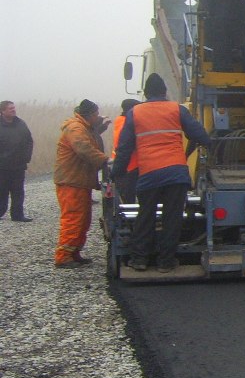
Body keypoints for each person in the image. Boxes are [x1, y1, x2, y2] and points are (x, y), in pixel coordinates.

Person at [111, 73, 211, 273]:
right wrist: (203, 150)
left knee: (145, 216)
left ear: (146, 93)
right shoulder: (176, 110)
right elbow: (200, 135)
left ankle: (139, 260)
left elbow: (124, 147)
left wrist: (117, 173)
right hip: (176, 173)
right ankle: (166, 262)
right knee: (172, 218)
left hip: (149, 174)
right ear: (164, 91)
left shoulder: (135, 113)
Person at [53, 99, 109, 268]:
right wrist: (105, 161)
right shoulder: (76, 128)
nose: (98, 116)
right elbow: (83, 147)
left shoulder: (83, 127)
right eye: (96, 114)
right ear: (90, 114)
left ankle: (74, 252)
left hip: (78, 181)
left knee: (83, 219)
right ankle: (63, 256)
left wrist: (98, 128)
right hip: (71, 181)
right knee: (73, 217)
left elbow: (89, 141)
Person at [0, 100, 34, 222]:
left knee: (18, 191)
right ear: (2, 111)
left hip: (19, 165)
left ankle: (17, 215)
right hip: (2, 166)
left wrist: (26, 157)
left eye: (14, 108)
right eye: (10, 108)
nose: (13, 110)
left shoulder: (21, 124)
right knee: (2, 190)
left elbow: (29, 141)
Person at [110, 98, 140, 203]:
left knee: (127, 200)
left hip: (126, 166)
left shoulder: (120, 121)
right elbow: (125, 147)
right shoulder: (126, 123)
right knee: (129, 202)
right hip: (128, 167)